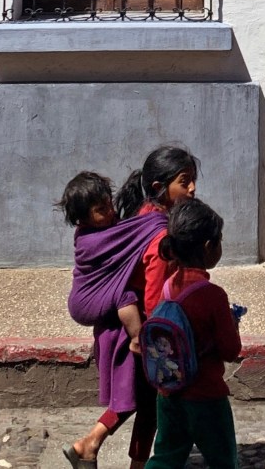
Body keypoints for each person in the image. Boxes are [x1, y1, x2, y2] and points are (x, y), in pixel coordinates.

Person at [64, 146, 199, 469]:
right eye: (184, 182)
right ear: (159, 187)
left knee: (140, 401)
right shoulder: (157, 233)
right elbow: (153, 295)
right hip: (134, 331)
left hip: (123, 326)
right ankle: (94, 445)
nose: (193, 189)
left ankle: (97, 448)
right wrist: (156, 333)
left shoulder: (141, 218)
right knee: (145, 402)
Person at [144, 198, 242, 469]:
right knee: (223, 460)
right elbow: (230, 351)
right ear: (209, 247)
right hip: (206, 396)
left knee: (165, 458)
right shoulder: (213, 295)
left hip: (169, 393)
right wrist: (233, 324)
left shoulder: (168, 287)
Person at [59, 171, 145, 353]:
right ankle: (137, 338)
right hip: (84, 303)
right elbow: (130, 236)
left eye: (110, 204)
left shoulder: (108, 225)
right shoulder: (89, 241)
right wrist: (154, 222)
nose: (111, 211)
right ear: (82, 217)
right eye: (101, 210)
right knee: (124, 295)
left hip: (91, 299)